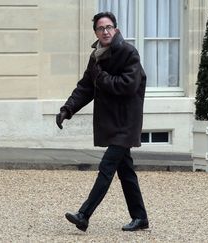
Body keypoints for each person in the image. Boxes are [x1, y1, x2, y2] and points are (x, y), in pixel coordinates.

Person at [56, 12, 148, 232]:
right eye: (100, 28)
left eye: (109, 27)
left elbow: (127, 85)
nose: (105, 31)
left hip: (126, 123)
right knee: (126, 172)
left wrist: (101, 77)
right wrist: (67, 109)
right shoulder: (97, 55)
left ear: (115, 29)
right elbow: (86, 87)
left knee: (106, 168)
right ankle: (140, 217)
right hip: (113, 122)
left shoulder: (128, 52)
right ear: (95, 32)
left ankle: (84, 214)